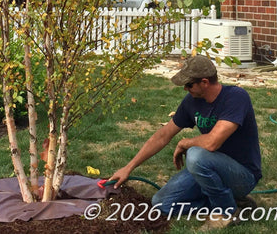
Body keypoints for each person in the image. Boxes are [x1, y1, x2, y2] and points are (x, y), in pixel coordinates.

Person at [109, 55, 261, 230]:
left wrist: (185, 143)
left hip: (242, 175)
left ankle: (226, 212)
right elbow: (162, 135)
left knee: (195, 155)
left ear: (204, 82)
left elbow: (212, 143)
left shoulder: (236, 98)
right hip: (208, 169)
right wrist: (128, 168)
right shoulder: (192, 102)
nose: (185, 89)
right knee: (161, 204)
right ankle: (234, 202)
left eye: (189, 85)